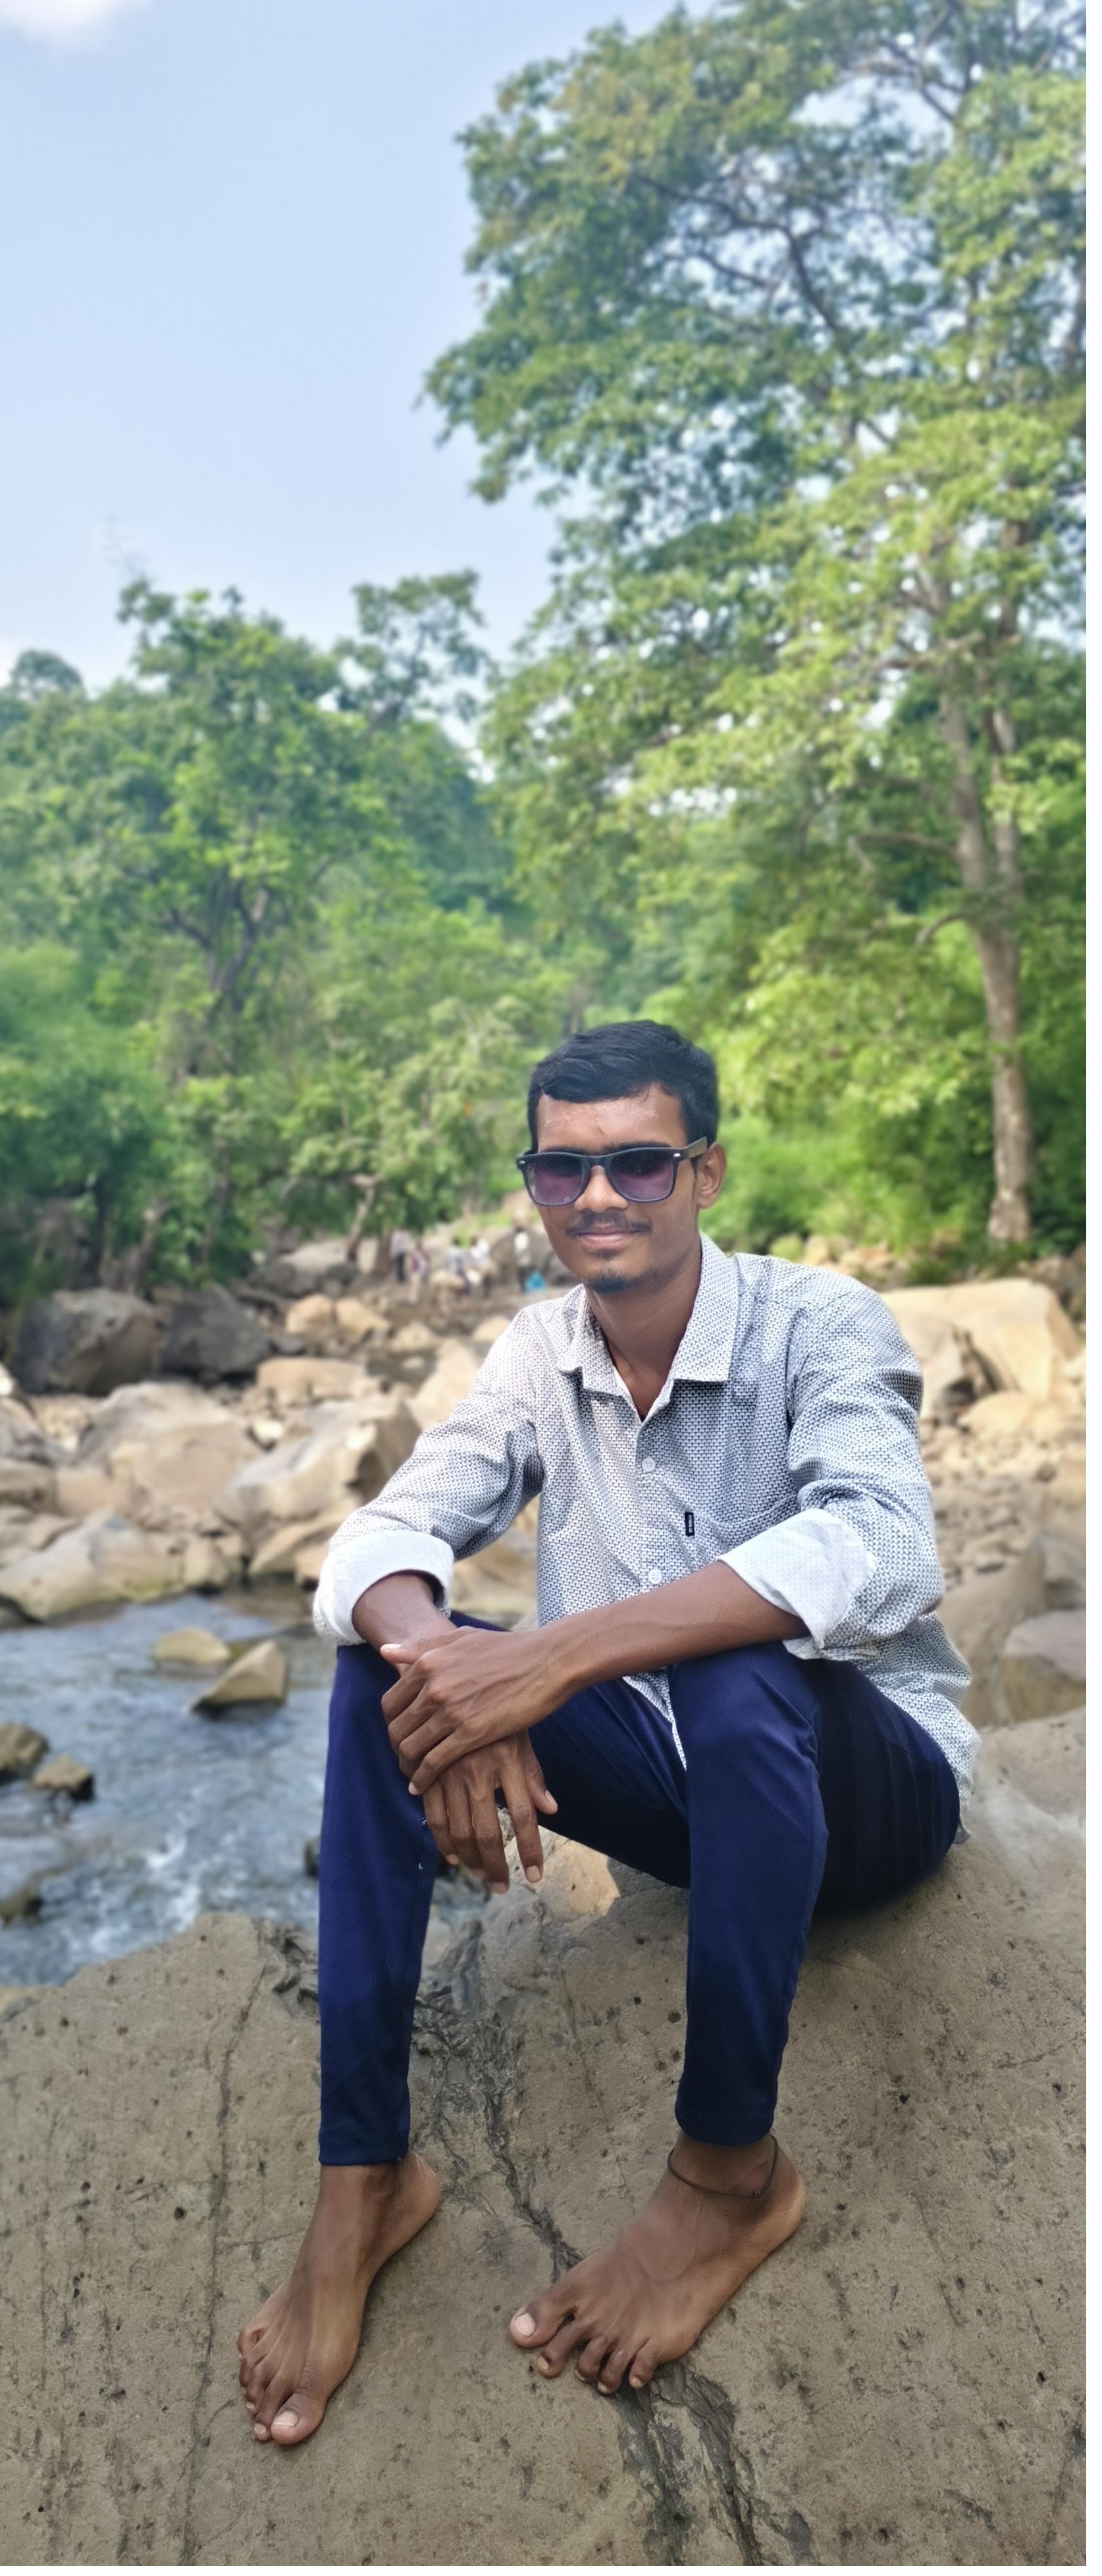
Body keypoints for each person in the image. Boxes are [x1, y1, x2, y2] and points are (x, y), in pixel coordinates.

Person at [238, 1020, 973, 2448]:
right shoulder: (542, 1347)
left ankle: (727, 2174)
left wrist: (545, 1661)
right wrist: (453, 1675)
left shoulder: (817, 1321)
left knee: (734, 1652)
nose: (596, 1197)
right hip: (688, 1804)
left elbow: (878, 1545)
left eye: (636, 1162)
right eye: (560, 1168)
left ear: (703, 1170)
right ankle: (364, 2176)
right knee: (381, 1663)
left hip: (863, 1790)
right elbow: (383, 1533)